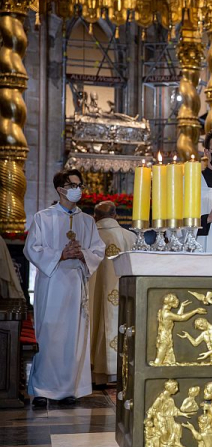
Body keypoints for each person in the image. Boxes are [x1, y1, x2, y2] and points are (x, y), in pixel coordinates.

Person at [24, 169, 105, 407]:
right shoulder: (43, 217)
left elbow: (98, 250)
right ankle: (42, 389)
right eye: (73, 185)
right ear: (60, 189)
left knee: (74, 336)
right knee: (50, 334)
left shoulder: (87, 220)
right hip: (52, 282)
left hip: (75, 282)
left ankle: (71, 389)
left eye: (80, 185)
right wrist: (60, 254)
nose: (78, 189)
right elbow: (32, 248)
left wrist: (83, 254)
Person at [88, 201, 136, 385]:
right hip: (123, 295)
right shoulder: (130, 237)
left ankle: (95, 372)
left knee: (95, 319)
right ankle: (120, 370)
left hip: (94, 296)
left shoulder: (90, 237)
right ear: (115, 216)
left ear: (95, 217)